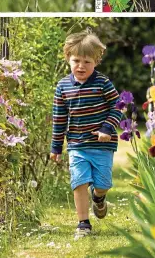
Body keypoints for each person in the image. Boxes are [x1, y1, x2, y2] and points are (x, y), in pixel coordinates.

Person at [50, 31, 122, 239]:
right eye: (76, 61)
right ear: (68, 59)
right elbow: (59, 118)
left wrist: (107, 128)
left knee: (103, 184)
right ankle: (83, 223)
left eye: (87, 62)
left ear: (96, 61)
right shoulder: (63, 87)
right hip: (76, 145)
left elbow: (118, 106)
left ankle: (98, 198)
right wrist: (56, 147)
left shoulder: (102, 83)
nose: (81, 66)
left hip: (102, 145)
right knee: (79, 182)